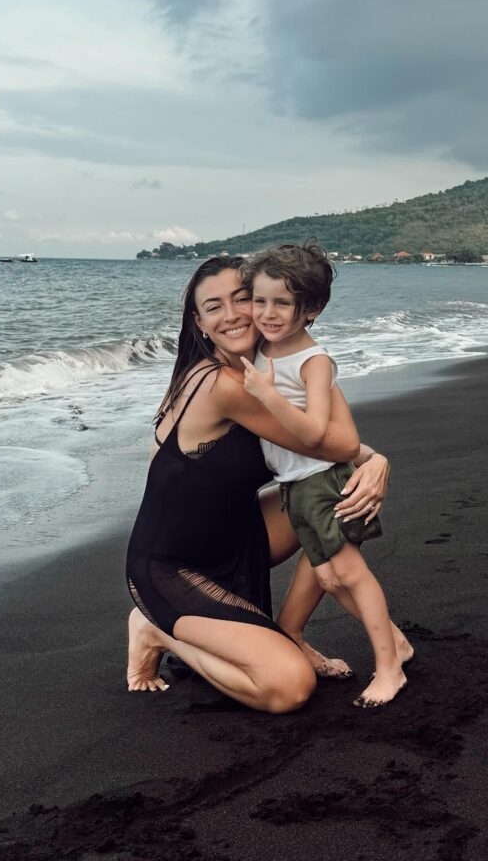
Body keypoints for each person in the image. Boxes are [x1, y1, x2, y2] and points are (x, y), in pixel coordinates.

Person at [126, 254, 400, 714]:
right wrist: (375, 459)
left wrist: (368, 460)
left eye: (242, 298)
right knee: (288, 687)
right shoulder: (226, 385)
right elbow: (333, 443)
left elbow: (323, 442)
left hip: (234, 537)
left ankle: (292, 630)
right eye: (214, 307)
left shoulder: (266, 371)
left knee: (337, 500)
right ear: (199, 322)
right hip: (175, 568)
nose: (233, 314)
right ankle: (155, 631)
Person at [240, 242, 412, 706]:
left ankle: (389, 669)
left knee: (350, 575)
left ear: (311, 309)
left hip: (324, 479)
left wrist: (266, 395)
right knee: (331, 580)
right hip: (293, 486)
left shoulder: (313, 360)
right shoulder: (262, 349)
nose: (268, 313)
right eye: (260, 301)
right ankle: (396, 645)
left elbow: (316, 432)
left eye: (283, 303)